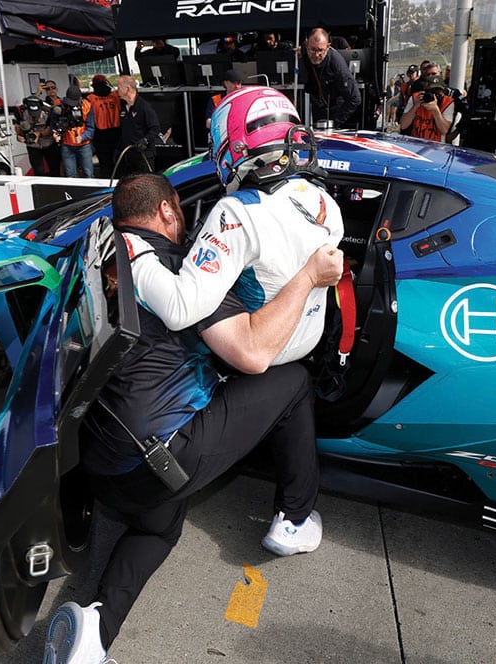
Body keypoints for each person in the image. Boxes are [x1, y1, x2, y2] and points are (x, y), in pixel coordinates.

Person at [46, 172, 343, 664]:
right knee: (291, 382)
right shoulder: (179, 271)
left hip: (96, 457)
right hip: (162, 455)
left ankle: (93, 633)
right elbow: (251, 350)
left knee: (158, 528)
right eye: (181, 211)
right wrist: (308, 276)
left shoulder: (102, 254)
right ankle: (293, 520)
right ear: (166, 211)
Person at [124, 86, 345, 366]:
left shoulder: (238, 212)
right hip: (307, 340)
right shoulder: (323, 200)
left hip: (265, 348)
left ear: (234, 143)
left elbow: (179, 308)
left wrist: (132, 248)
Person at [300, 27, 362, 128]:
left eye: (320, 50)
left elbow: (355, 98)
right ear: (307, 45)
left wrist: (335, 122)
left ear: (328, 47)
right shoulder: (304, 49)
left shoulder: (336, 63)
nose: (316, 54)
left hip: (338, 110)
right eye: (313, 49)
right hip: (318, 106)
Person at [115, 76, 161, 177]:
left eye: (118, 87)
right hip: (129, 154)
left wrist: (145, 140)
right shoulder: (123, 107)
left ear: (127, 89)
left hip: (144, 155)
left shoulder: (144, 106)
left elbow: (155, 128)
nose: (116, 90)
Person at [400, 77, 456, 143]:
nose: (435, 95)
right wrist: (415, 106)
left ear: (444, 91)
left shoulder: (447, 102)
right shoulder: (415, 98)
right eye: (432, 91)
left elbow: (444, 131)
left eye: (438, 92)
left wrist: (436, 111)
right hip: (416, 142)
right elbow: (403, 125)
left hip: (437, 145)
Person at [16, 94, 61, 176]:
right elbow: (17, 126)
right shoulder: (21, 111)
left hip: (48, 143)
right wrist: (19, 136)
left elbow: (51, 128)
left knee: (54, 169)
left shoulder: (49, 111)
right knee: (38, 171)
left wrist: (39, 134)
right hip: (33, 145)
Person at [58, 84, 96, 178]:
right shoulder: (59, 105)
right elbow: (53, 124)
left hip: (84, 145)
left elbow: (91, 128)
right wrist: (56, 134)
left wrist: (82, 137)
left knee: (88, 173)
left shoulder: (87, 106)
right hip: (67, 145)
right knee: (70, 175)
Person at [87, 75, 121, 178]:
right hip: (116, 131)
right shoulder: (115, 96)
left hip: (100, 133)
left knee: (105, 162)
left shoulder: (90, 99)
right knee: (116, 161)